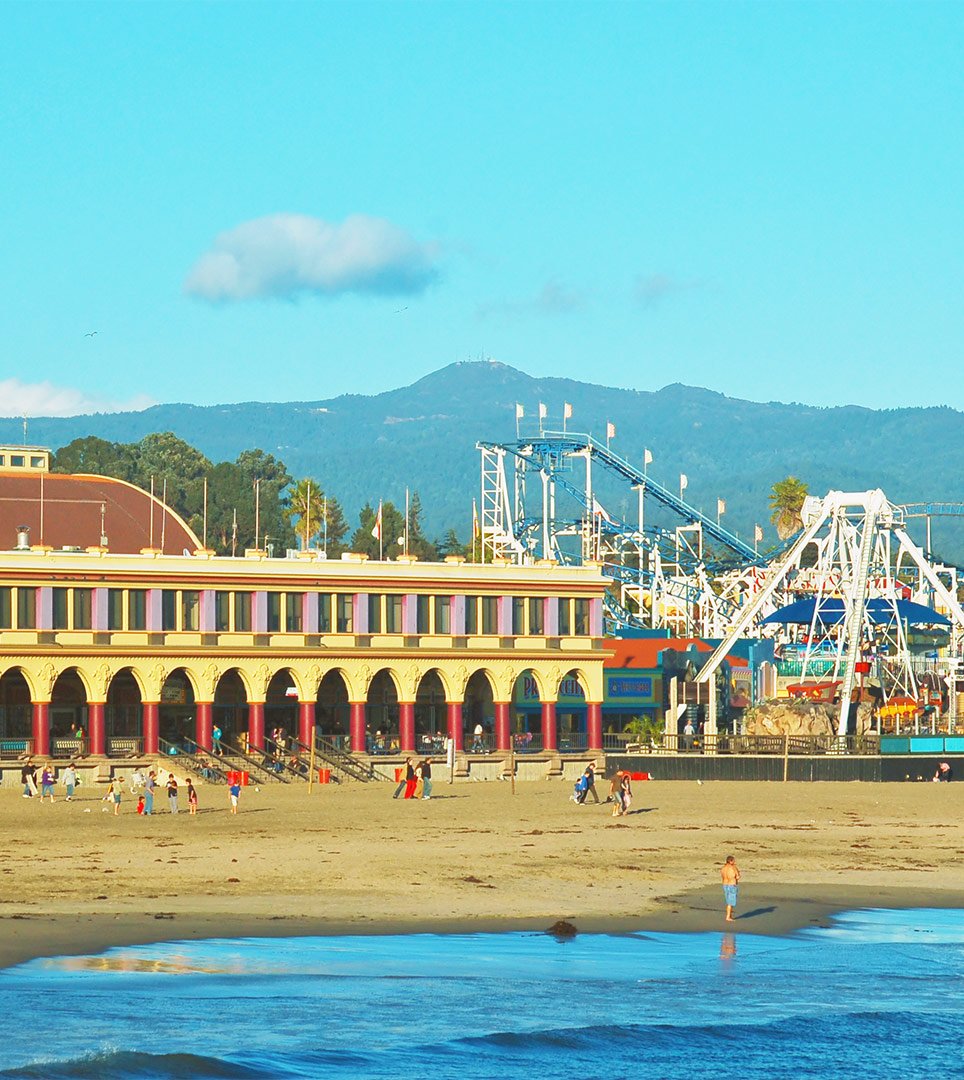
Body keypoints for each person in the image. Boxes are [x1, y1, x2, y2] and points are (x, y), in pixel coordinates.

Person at [721, 855, 741, 922]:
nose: (734, 862)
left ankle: (730, 915)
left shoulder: (723, 868)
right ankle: (728, 917)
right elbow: (738, 876)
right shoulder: (733, 867)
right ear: (731, 861)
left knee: (728, 901)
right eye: (733, 860)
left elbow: (723, 876)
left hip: (725, 884)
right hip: (732, 885)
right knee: (730, 902)